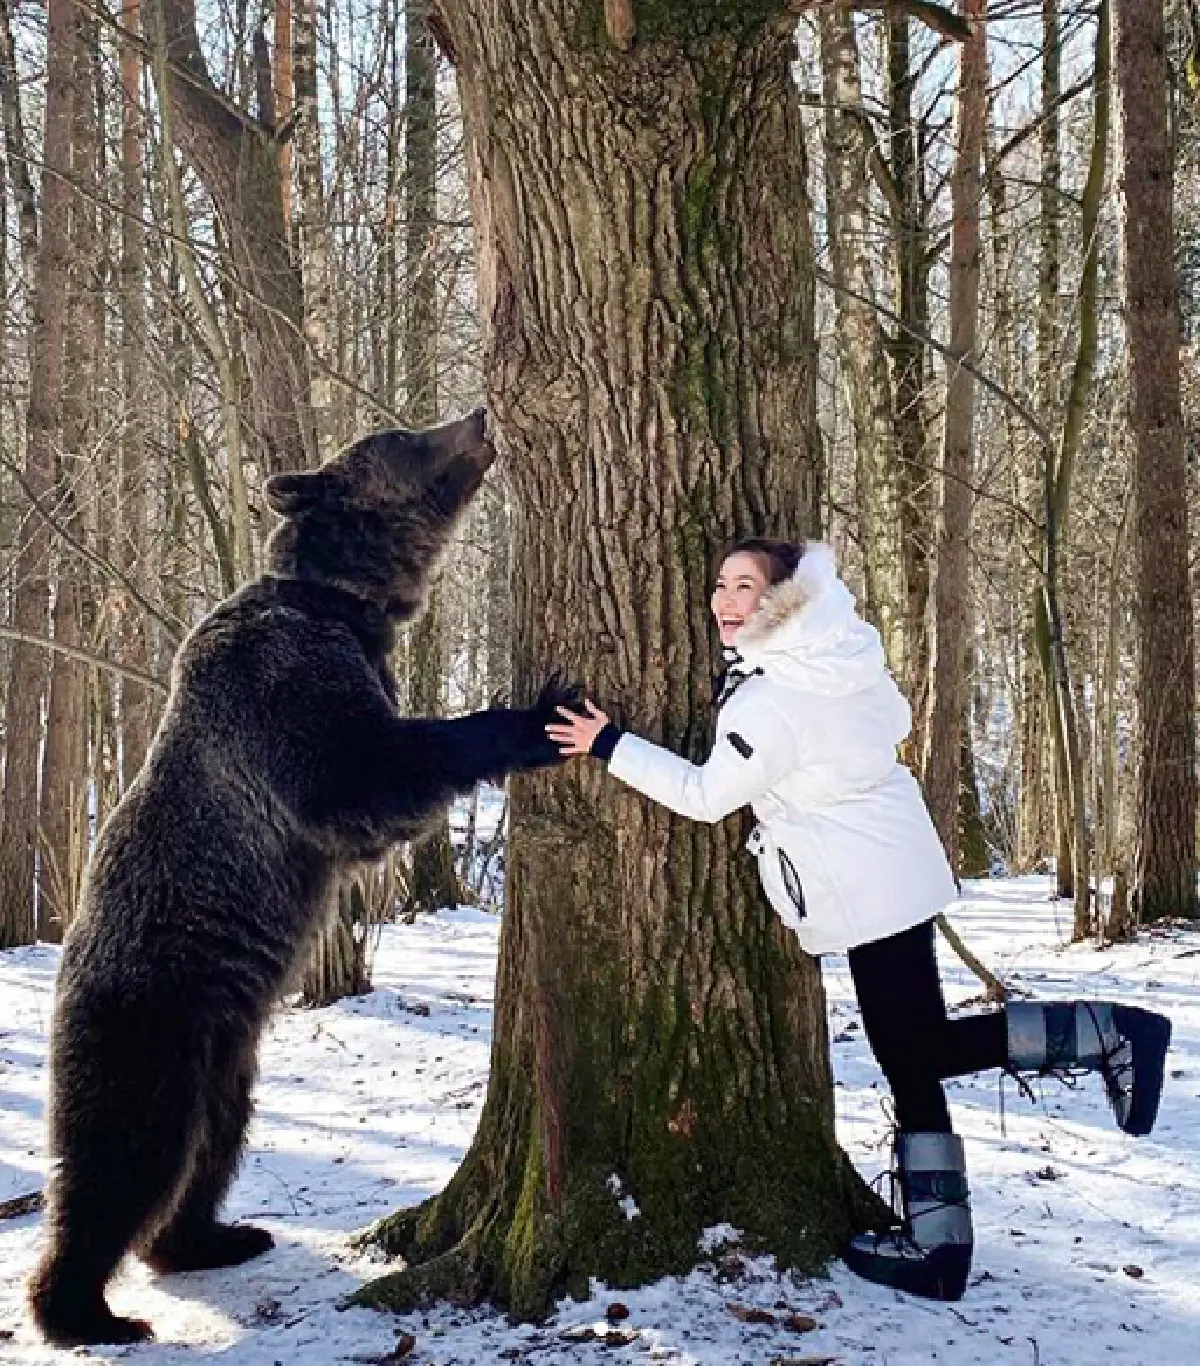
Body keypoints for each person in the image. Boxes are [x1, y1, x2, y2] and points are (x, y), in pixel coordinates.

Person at [545, 537, 1172, 1303]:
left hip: (867, 880)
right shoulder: (840, 651)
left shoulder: (773, 699)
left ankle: (1110, 1036)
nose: (725, 602)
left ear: (782, 600)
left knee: (918, 1050)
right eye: (720, 585)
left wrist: (608, 743)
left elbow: (706, 797)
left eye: (745, 587)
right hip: (893, 860)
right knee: (916, 1052)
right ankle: (942, 1243)